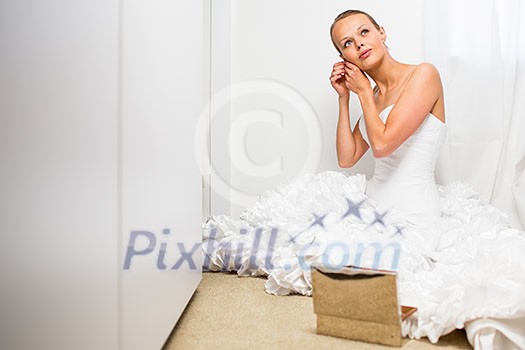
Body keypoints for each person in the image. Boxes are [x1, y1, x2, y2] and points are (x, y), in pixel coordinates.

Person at [202, 10, 525, 349]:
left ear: (382, 32)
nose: (360, 44)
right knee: (303, 244)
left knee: (382, 273)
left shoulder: (423, 75)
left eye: (364, 32)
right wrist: (345, 98)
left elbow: (383, 145)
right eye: (348, 43)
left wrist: (365, 95)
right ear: (344, 57)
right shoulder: (375, 96)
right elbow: (348, 155)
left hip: (413, 211)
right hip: (373, 201)